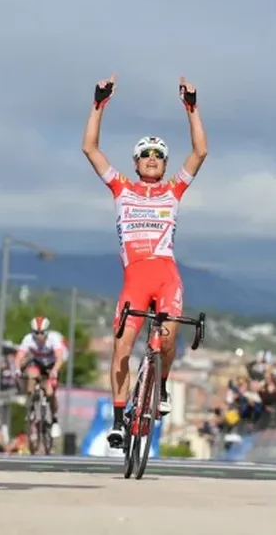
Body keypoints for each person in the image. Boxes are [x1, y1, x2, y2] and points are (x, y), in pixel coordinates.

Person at [81, 74, 208, 448]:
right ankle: (120, 418)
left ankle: (162, 386)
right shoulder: (121, 187)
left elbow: (200, 152)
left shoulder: (173, 189)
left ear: (165, 164)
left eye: (158, 155)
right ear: (136, 162)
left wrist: (192, 109)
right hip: (134, 279)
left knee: (167, 339)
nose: (152, 158)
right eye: (145, 154)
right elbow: (90, 148)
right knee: (121, 347)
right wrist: (98, 105)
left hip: (166, 276)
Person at [15, 316, 67, 438]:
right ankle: (32, 408)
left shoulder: (53, 339)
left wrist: (54, 371)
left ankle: (54, 420)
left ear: (47, 331)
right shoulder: (28, 339)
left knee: (50, 393)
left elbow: (60, 358)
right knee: (30, 377)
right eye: (36, 333)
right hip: (37, 364)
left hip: (51, 366)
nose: (39, 336)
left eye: (42, 333)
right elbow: (19, 356)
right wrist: (17, 369)